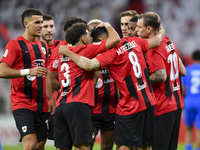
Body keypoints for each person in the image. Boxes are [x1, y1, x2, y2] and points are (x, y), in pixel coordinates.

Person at [59, 12, 165, 150]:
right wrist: (161, 29)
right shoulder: (134, 41)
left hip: (129, 106)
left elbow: (89, 65)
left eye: (96, 42)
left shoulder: (110, 54)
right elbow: (157, 40)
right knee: (145, 146)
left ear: (102, 39)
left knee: (122, 146)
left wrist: (68, 52)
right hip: (149, 102)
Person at [54, 21, 120, 150]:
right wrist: (107, 25)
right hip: (78, 104)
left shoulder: (63, 54)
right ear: (83, 39)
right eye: (90, 35)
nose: (92, 38)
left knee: (62, 148)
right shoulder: (84, 49)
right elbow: (115, 39)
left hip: (60, 106)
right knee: (83, 147)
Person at [0, 8, 55, 150]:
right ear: (26, 23)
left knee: (40, 145)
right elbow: (2, 71)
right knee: (30, 143)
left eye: (41, 22)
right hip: (22, 103)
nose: (40, 26)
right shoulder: (15, 44)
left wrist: (51, 99)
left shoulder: (43, 46)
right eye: (37, 22)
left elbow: (46, 74)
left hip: (41, 104)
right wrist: (27, 71)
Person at [136, 12, 186, 150]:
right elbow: (182, 71)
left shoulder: (154, 49)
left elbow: (161, 75)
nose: (136, 30)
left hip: (162, 107)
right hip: (177, 105)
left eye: (139, 27)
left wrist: (139, 81)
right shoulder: (169, 42)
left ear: (149, 29)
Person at [88, 19, 118, 150]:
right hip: (91, 108)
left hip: (111, 108)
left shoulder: (114, 52)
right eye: (92, 30)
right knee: (87, 145)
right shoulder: (86, 53)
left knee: (107, 147)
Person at [40, 14, 60, 141]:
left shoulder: (62, 46)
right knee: (37, 144)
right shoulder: (33, 48)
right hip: (38, 102)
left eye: (51, 26)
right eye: (45, 26)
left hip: (58, 103)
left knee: (61, 142)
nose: (49, 30)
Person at [182, 50, 200, 150]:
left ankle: (188, 148)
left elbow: (183, 89)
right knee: (199, 129)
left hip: (189, 101)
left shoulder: (187, 70)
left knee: (188, 128)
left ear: (192, 58)